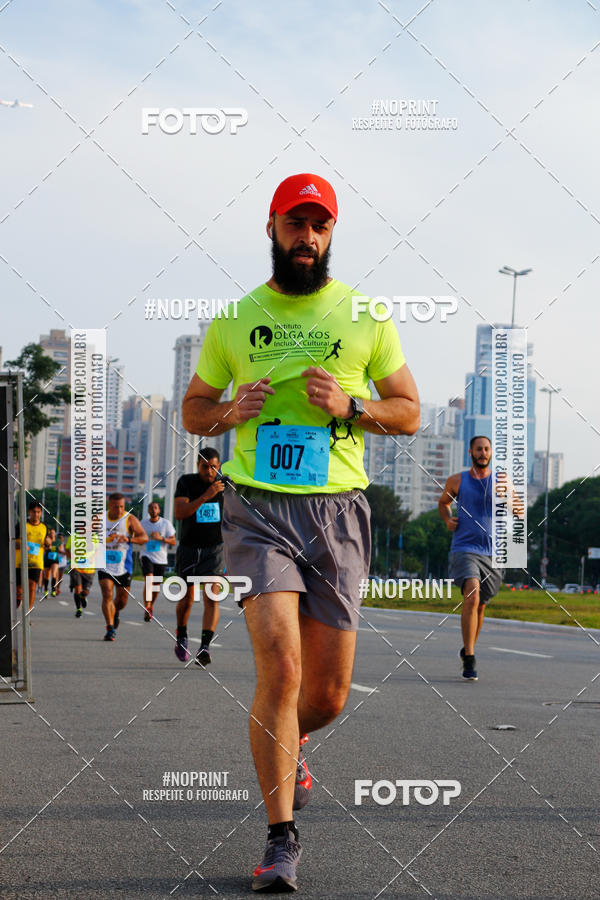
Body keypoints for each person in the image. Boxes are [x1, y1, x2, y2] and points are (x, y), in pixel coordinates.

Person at [181, 173, 420, 893]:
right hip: (257, 510)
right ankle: (281, 840)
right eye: (295, 224)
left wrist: (351, 405)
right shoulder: (233, 319)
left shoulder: (366, 315)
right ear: (272, 227)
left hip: (339, 511)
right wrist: (230, 411)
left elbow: (408, 411)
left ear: (331, 233)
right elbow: (194, 408)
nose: (307, 238)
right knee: (280, 672)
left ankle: (297, 742)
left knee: (326, 695)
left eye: (319, 226)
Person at [438, 435, 523, 681]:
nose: (483, 453)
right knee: (472, 594)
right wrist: (447, 519)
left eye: (486, 449)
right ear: (470, 452)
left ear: (491, 452)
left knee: (482, 605)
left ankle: (467, 650)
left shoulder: (501, 481)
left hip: (493, 552)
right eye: (479, 449)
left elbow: (519, 510)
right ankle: (471, 659)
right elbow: (443, 503)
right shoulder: (457, 480)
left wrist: (508, 501)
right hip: (465, 547)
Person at [173, 449, 225, 666]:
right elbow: (180, 512)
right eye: (205, 467)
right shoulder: (186, 482)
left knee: (212, 596)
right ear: (197, 465)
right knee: (187, 598)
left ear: (219, 465)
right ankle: (182, 634)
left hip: (214, 548)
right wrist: (206, 496)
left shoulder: (226, 486)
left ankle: (205, 646)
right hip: (189, 547)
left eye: (214, 466)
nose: (210, 471)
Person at [98, 493, 147, 641]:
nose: (119, 510)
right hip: (105, 565)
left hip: (124, 567)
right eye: (115, 507)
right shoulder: (100, 519)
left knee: (121, 601)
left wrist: (128, 538)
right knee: (107, 593)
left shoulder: (129, 519)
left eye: (121, 507)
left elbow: (144, 538)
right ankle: (110, 628)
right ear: (109, 505)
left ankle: (115, 612)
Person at [139, 501, 177, 622]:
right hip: (146, 555)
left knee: (156, 586)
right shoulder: (143, 524)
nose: (153, 510)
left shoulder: (166, 524)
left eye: (155, 508)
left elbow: (173, 541)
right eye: (151, 508)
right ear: (148, 511)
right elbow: (138, 536)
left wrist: (161, 538)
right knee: (149, 580)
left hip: (161, 558)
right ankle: (147, 606)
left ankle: (151, 605)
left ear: (159, 510)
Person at [15, 500, 48, 611]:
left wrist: (48, 543)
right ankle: (17, 601)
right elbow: (13, 542)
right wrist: (21, 544)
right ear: (29, 512)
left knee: (32, 586)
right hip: (20, 562)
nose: (36, 514)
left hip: (36, 562)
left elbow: (45, 544)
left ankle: (28, 612)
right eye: (34, 512)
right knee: (19, 590)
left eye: (38, 512)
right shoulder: (21, 525)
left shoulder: (44, 527)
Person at [65, 534, 95, 618]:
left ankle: (83, 596)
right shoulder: (73, 536)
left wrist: (94, 557)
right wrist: (71, 558)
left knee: (85, 592)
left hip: (89, 569)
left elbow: (99, 550)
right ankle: (78, 609)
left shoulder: (94, 537)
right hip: (77, 568)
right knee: (77, 589)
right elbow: (67, 548)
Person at [43, 528, 59, 596]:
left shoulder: (57, 541)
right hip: (47, 559)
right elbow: (43, 547)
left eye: (53, 532)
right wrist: (47, 548)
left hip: (55, 560)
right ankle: (46, 589)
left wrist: (52, 548)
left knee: (54, 574)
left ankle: (53, 590)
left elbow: (60, 549)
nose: (52, 534)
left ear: (55, 533)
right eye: (51, 532)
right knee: (46, 575)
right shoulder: (46, 540)